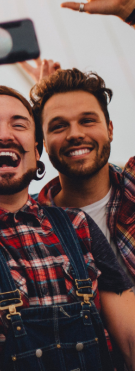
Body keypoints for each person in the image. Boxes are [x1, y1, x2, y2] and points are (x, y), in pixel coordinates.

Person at [0, 22, 135, 371]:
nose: (5, 135)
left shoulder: (77, 225)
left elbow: (129, 339)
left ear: (37, 152)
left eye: (19, 124)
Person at [31, 68, 135, 283]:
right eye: (58, 126)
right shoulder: (29, 225)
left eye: (87, 120)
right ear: (43, 143)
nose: (75, 134)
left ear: (110, 129)